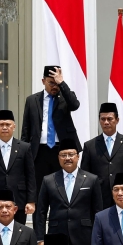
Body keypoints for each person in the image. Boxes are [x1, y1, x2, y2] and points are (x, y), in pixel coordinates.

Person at [34, 140, 102, 245]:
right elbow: (41, 211)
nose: (67, 158)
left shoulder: (91, 179)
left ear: (78, 156)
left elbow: (97, 211)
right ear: (58, 158)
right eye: (63, 155)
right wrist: (40, 239)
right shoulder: (48, 180)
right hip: (56, 236)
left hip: (83, 238)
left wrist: (96, 238)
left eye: (71, 154)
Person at [22, 66, 81, 194]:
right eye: (51, 83)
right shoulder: (32, 100)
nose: (55, 86)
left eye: (57, 83)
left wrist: (62, 83)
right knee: (38, 191)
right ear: (43, 81)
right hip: (39, 150)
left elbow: (75, 105)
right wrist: (25, 153)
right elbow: (26, 129)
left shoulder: (65, 96)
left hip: (61, 150)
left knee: (61, 191)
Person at [0, 110, 36, 224]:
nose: (4, 127)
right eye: (1, 125)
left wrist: (31, 201)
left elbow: (30, 175)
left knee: (19, 235)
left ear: (14, 127)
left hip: (19, 200)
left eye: (8, 125)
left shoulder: (24, 148)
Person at [80, 103, 123, 209]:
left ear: (117, 120)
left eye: (110, 119)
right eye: (103, 119)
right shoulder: (90, 146)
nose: (106, 122)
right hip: (98, 198)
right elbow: (85, 176)